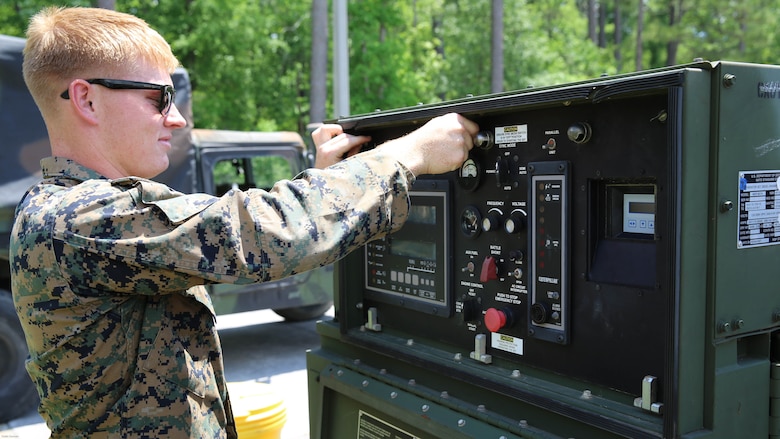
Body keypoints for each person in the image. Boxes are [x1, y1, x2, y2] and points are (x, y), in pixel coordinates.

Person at [11, 5, 478, 439]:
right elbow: (265, 234)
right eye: (159, 97)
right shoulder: (82, 217)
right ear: (86, 100)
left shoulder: (64, 208)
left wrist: (328, 181)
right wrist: (409, 153)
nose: (175, 120)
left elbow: (239, 228)